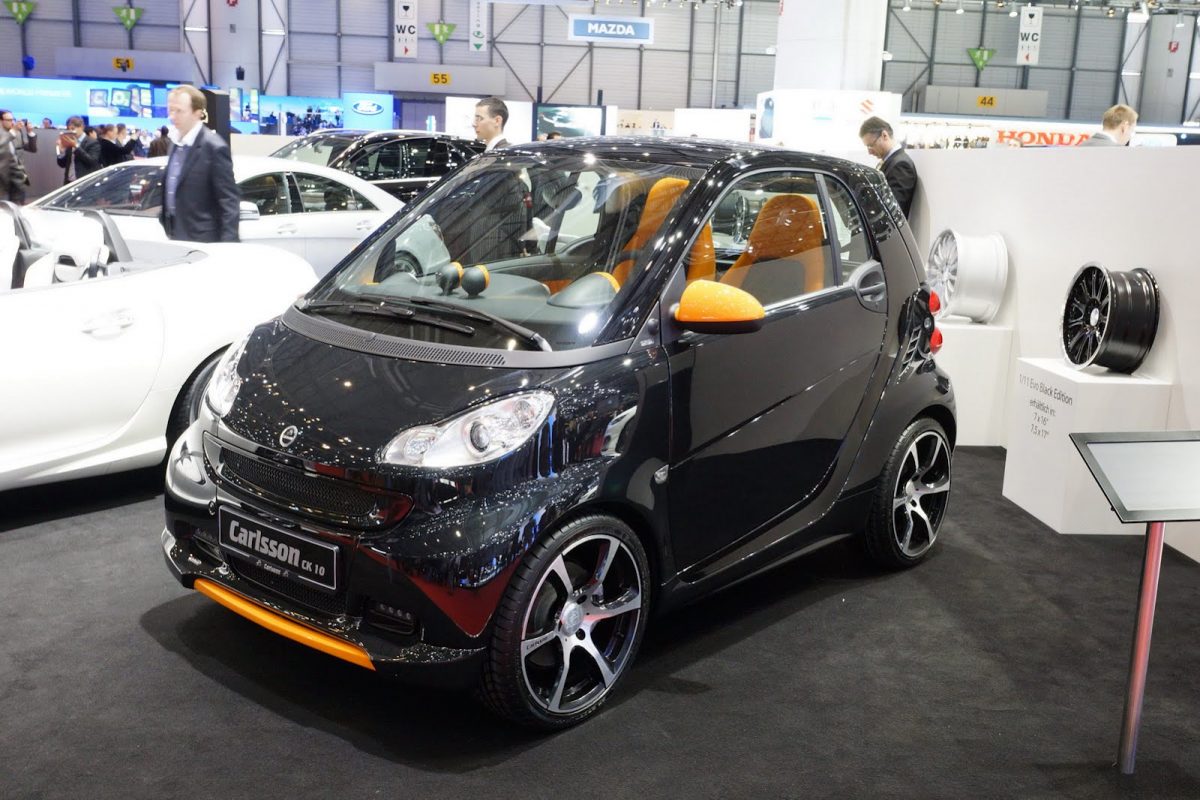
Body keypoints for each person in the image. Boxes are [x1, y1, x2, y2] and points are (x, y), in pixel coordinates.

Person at [159, 85, 240, 243]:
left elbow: (229, 201)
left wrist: (228, 246)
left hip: (204, 240)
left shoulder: (214, 147)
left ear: (197, 113)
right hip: (175, 236)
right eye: (171, 110)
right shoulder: (175, 144)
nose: (172, 116)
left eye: (179, 111)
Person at [860, 116, 917, 219]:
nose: (869, 152)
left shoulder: (901, 165)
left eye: (871, 145)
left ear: (884, 135)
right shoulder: (890, 162)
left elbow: (893, 211)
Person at [0, 110, 38, 204]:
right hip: (2, 178)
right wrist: (13, 131)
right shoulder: (12, 132)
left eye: (13, 119)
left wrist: (30, 132)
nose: (12, 122)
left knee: (18, 206)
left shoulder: (16, 133)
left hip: (17, 178)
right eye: (9, 120)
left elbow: (32, 149)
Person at [55, 115, 102, 184]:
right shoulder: (70, 141)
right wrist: (60, 151)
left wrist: (76, 146)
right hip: (69, 182)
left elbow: (92, 162)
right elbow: (62, 164)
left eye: (73, 128)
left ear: (82, 127)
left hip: (84, 182)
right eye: (69, 129)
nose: (71, 131)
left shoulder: (92, 142)